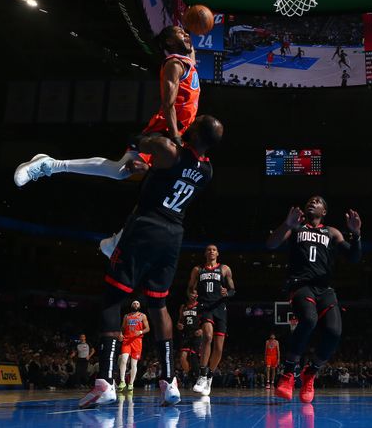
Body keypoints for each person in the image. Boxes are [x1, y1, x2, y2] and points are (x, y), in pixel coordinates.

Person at [78, 115, 223, 408]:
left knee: (112, 298)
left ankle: (105, 382)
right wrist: (151, 166)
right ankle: (169, 383)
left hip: (146, 227)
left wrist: (157, 137)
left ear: (194, 131)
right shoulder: (207, 170)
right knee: (158, 305)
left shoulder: (170, 150)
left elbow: (138, 139)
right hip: (173, 236)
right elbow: (169, 172)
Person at [13, 25, 200, 188]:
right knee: (125, 171)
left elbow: (190, 43)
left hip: (179, 132)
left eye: (186, 33)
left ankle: (50, 164)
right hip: (165, 129)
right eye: (179, 33)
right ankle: (49, 165)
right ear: (169, 41)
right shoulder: (174, 65)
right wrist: (175, 137)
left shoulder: (189, 60)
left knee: (122, 171)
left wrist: (190, 26)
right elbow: (168, 105)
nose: (185, 35)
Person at [267, 196, 362, 403]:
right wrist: (286, 225)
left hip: (324, 288)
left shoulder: (332, 232)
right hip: (301, 285)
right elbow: (271, 244)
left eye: (317, 201)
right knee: (309, 320)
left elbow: (354, 257)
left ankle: (310, 373)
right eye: (310, 200)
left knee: (334, 331)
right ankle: (288, 372)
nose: (312, 202)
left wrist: (356, 234)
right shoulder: (296, 228)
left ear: (324, 211)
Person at [189, 244, 235, 396]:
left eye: (214, 249)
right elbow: (190, 288)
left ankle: (209, 377)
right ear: (205, 253)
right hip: (204, 306)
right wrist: (192, 294)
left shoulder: (224, 269)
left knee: (219, 348)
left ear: (218, 253)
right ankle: (202, 374)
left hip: (220, 307)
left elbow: (233, 289)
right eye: (209, 249)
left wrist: (226, 292)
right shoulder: (198, 269)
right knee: (207, 337)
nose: (211, 251)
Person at [119, 301, 149, 392]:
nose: (135, 304)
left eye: (137, 303)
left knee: (133, 364)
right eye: (134, 303)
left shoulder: (142, 316)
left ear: (139, 306)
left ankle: (131, 384)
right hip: (127, 340)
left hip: (137, 341)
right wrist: (120, 334)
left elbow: (147, 328)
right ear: (131, 305)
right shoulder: (126, 316)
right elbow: (123, 328)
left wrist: (140, 332)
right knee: (123, 360)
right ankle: (122, 381)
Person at [177, 295, 202, 381]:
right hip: (186, 334)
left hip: (196, 334)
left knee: (194, 358)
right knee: (182, 358)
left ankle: (199, 377)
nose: (194, 296)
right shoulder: (183, 306)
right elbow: (180, 320)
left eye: (196, 294)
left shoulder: (200, 306)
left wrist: (202, 330)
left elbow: (205, 319)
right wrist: (179, 325)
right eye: (192, 294)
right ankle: (190, 375)